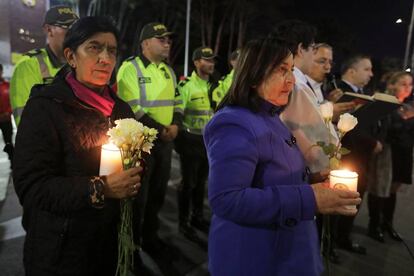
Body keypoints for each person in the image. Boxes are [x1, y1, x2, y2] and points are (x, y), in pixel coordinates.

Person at [204, 36, 361, 276]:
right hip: (256, 258)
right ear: (255, 73)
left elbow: (272, 175)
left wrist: (314, 180)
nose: (291, 81)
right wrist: (310, 199)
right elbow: (227, 199)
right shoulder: (233, 123)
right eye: (282, 70)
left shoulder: (271, 116)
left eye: (292, 70)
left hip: (287, 251)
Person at [13, 16, 142, 275]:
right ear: (71, 57)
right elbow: (32, 187)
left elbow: (140, 165)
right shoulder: (45, 108)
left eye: (112, 51)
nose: (106, 58)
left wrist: (137, 170)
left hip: (108, 246)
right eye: (94, 47)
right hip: (60, 252)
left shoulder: (121, 109)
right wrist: (100, 188)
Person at [116, 22, 181, 269]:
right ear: (145, 43)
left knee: (157, 195)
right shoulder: (129, 68)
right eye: (161, 39)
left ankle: (151, 239)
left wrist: (175, 123)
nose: (167, 43)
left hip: (163, 143)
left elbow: (177, 101)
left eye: (168, 40)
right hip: (139, 144)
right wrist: (161, 129)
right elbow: (130, 106)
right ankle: (131, 252)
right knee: (137, 201)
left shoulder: (168, 71)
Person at [270, 20, 338, 175]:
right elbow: (303, 133)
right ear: (301, 49)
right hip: (296, 169)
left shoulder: (276, 79)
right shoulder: (296, 85)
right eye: (313, 50)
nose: (313, 57)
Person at [335, 54, 380, 254]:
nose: (371, 74)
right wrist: (372, 143)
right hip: (347, 157)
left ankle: (343, 237)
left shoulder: (363, 93)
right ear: (351, 71)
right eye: (366, 69)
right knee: (340, 202)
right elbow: (351, 130)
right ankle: (333, 242)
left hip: (361, 158)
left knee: (352, 202)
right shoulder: (338, 93)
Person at [10, 5, 78, 126]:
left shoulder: (79, 64)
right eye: (66, 26)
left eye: (76, 27)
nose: (73, 33)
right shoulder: (28, 65)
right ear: (48, 30)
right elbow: (27, 122)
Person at [366, 71, 414, 242]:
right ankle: (374, 225)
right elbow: (382, 128)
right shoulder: (385, 103)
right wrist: (405, 120)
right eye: (403, 84)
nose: (408, 88)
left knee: (393, 189)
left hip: (404, 152)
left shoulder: (407, 105)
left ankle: (388, 225)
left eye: (410, 84)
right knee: (380, 188)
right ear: (392, 85)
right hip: (387, 151)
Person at [175, 46, 216, 241]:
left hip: (209, 142)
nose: (211, 64)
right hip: (190, 141)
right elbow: (178, 113)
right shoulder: (187, 86)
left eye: (212, 60)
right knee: (188, 183)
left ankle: (197, 216)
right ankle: (183, 223)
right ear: (196, 62)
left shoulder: (214, 86)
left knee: (201, 183)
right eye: (206, 60)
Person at [0, 64, 13, 168]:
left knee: (8, 142)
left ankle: (13, 162)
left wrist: (8, 112)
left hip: (5, 119)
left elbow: (12, 101)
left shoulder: (7, 86)